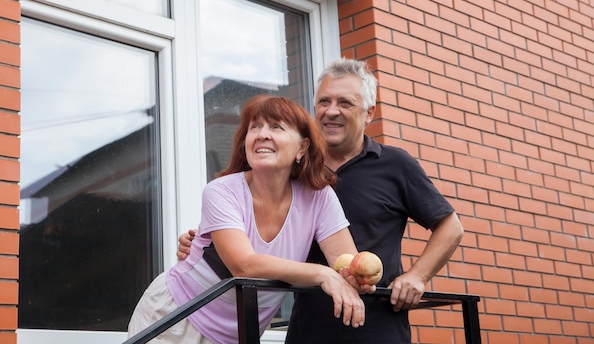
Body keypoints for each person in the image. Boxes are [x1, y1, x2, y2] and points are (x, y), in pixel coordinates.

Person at [178, 59, 464, 343]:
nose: (331, 111)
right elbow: (252, 229)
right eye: (323, 101)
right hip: (307, 325)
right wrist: (206, 243)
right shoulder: (291, 171)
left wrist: (417, 276)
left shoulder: (394, 165)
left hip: (372, 322)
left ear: (369, 113)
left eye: (345, 103)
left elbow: (451, 226)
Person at [128, 94, 374, 344]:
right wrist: (323, 274)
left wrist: (355, 278)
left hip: (236, 336)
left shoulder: (319, 198)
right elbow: (244, 266)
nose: (262, 134)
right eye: (255, 127)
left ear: (302, 148)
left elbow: (346, 264)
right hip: (175, 318)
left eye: (276, 126)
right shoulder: (221, 191)